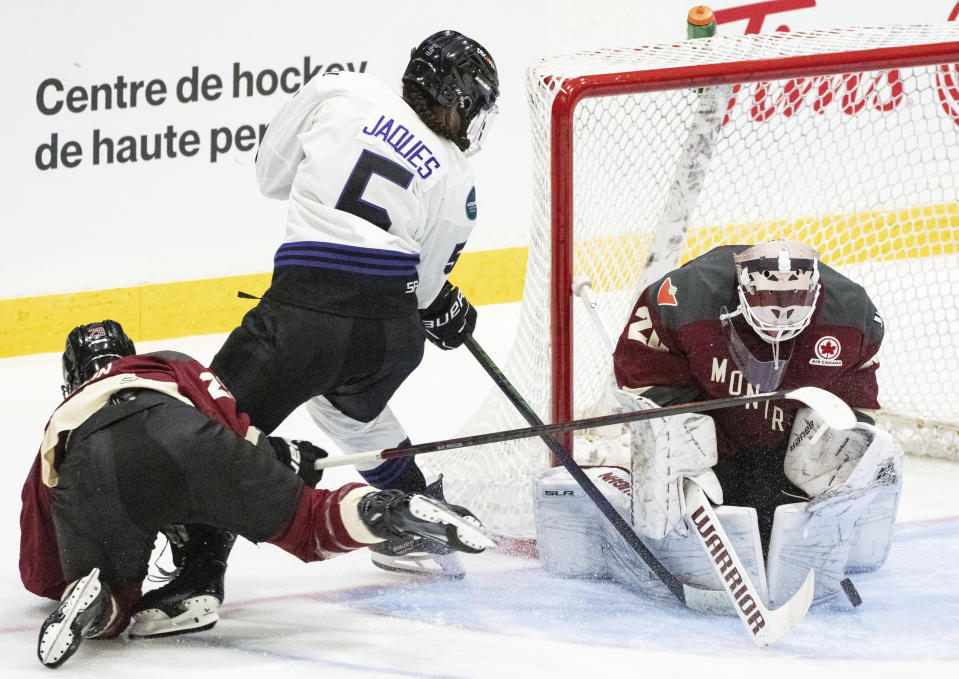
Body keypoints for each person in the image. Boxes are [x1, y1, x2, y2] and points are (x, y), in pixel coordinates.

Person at [127, 29, 500, 639]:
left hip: (303, 318)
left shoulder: (342, 89)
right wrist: (449, 310)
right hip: (390, 337)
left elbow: (270, 178)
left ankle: (199, 579)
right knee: (350, 412)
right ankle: (413, 514)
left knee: (219, 430)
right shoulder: (457, 179)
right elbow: (427, 288)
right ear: (453, 99)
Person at [19, 320, 493, 668]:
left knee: (117, 599)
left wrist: (73, 573)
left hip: (91, 461)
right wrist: (279, 456)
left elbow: (39, 565)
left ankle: (98, 601)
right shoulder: (166, 365)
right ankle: (390, 509)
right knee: (311, 522)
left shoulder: (59, 420)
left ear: (72, 375)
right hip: (181, 430)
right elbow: (228, 418)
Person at [533, 240, 903, 608]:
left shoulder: (851, 311)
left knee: (822, 475)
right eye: (769, 301)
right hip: (716, 442)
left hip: (783, 446)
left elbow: (856, 395)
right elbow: (638, 376)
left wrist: (835, 442)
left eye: (792, 302)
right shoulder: (682, 297)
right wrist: (682, 432)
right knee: (690, 477)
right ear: (742, 289)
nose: (780, 314)